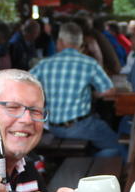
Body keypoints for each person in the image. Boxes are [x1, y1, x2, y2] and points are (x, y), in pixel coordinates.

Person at [30, 22, 122, 158]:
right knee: (119, 147)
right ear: (80, 44)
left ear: (60, 42)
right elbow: (110, 91)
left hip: (53, 127)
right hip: (81, 126)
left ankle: (88, 161)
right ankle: (96, 165)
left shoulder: (44, 64)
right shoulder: (89, 63)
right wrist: (94, 94)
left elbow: (23, 83)